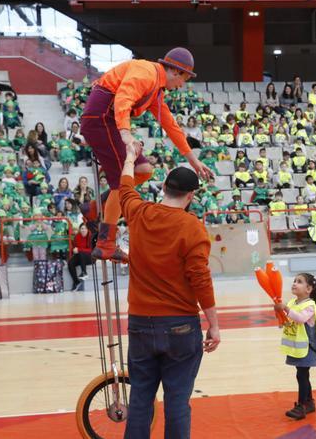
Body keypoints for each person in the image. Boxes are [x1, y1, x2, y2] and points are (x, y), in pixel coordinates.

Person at [119, 143, 221, 439]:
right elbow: (200, 279)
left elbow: (125, 186)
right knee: (177, 401)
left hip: (140, 323)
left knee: (140, 400)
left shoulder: (139, 213)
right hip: (180, 326)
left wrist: (129, 157)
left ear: (163, 186)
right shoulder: (193, 228)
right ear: (191, 196)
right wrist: (213, 325)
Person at [79, 47, 213, 262]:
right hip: (102, 120)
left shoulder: (155, 90)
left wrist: (194, 161)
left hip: (106, 121)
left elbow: (170, 126)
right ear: (176, 72)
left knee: (143, 170)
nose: (182, 85)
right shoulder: (146, 72)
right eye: (184, 79)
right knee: (120, 185)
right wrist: (125, 134)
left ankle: (94, 209)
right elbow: (123, 97)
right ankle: (105, 243)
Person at [274, 273, 316, 420]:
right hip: (297, 349)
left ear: (308, 289)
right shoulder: (292, 303)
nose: (295, 283)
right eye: (294, 281)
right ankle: (309, 403)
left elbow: (300, 318)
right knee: (302, 374)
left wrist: (285, 308)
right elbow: (285, 322)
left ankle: (301, 406)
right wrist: (279, 314)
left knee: (302, 375)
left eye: (299, 282)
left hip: (307, 348)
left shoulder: (310, 305)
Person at [67, 223, 93, 291]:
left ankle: (84, 272)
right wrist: (74, 249)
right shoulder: (77, 236)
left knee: (81, 253)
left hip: (90, 257)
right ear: (79, 229)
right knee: (70, 262)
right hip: (80, 257)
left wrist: (79, 249)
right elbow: (74, 247)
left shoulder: (91, 236)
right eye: (82, 228)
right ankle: (76, 282)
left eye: (85, 228)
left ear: (87, 230)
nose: (83, 230)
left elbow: (91, 250)